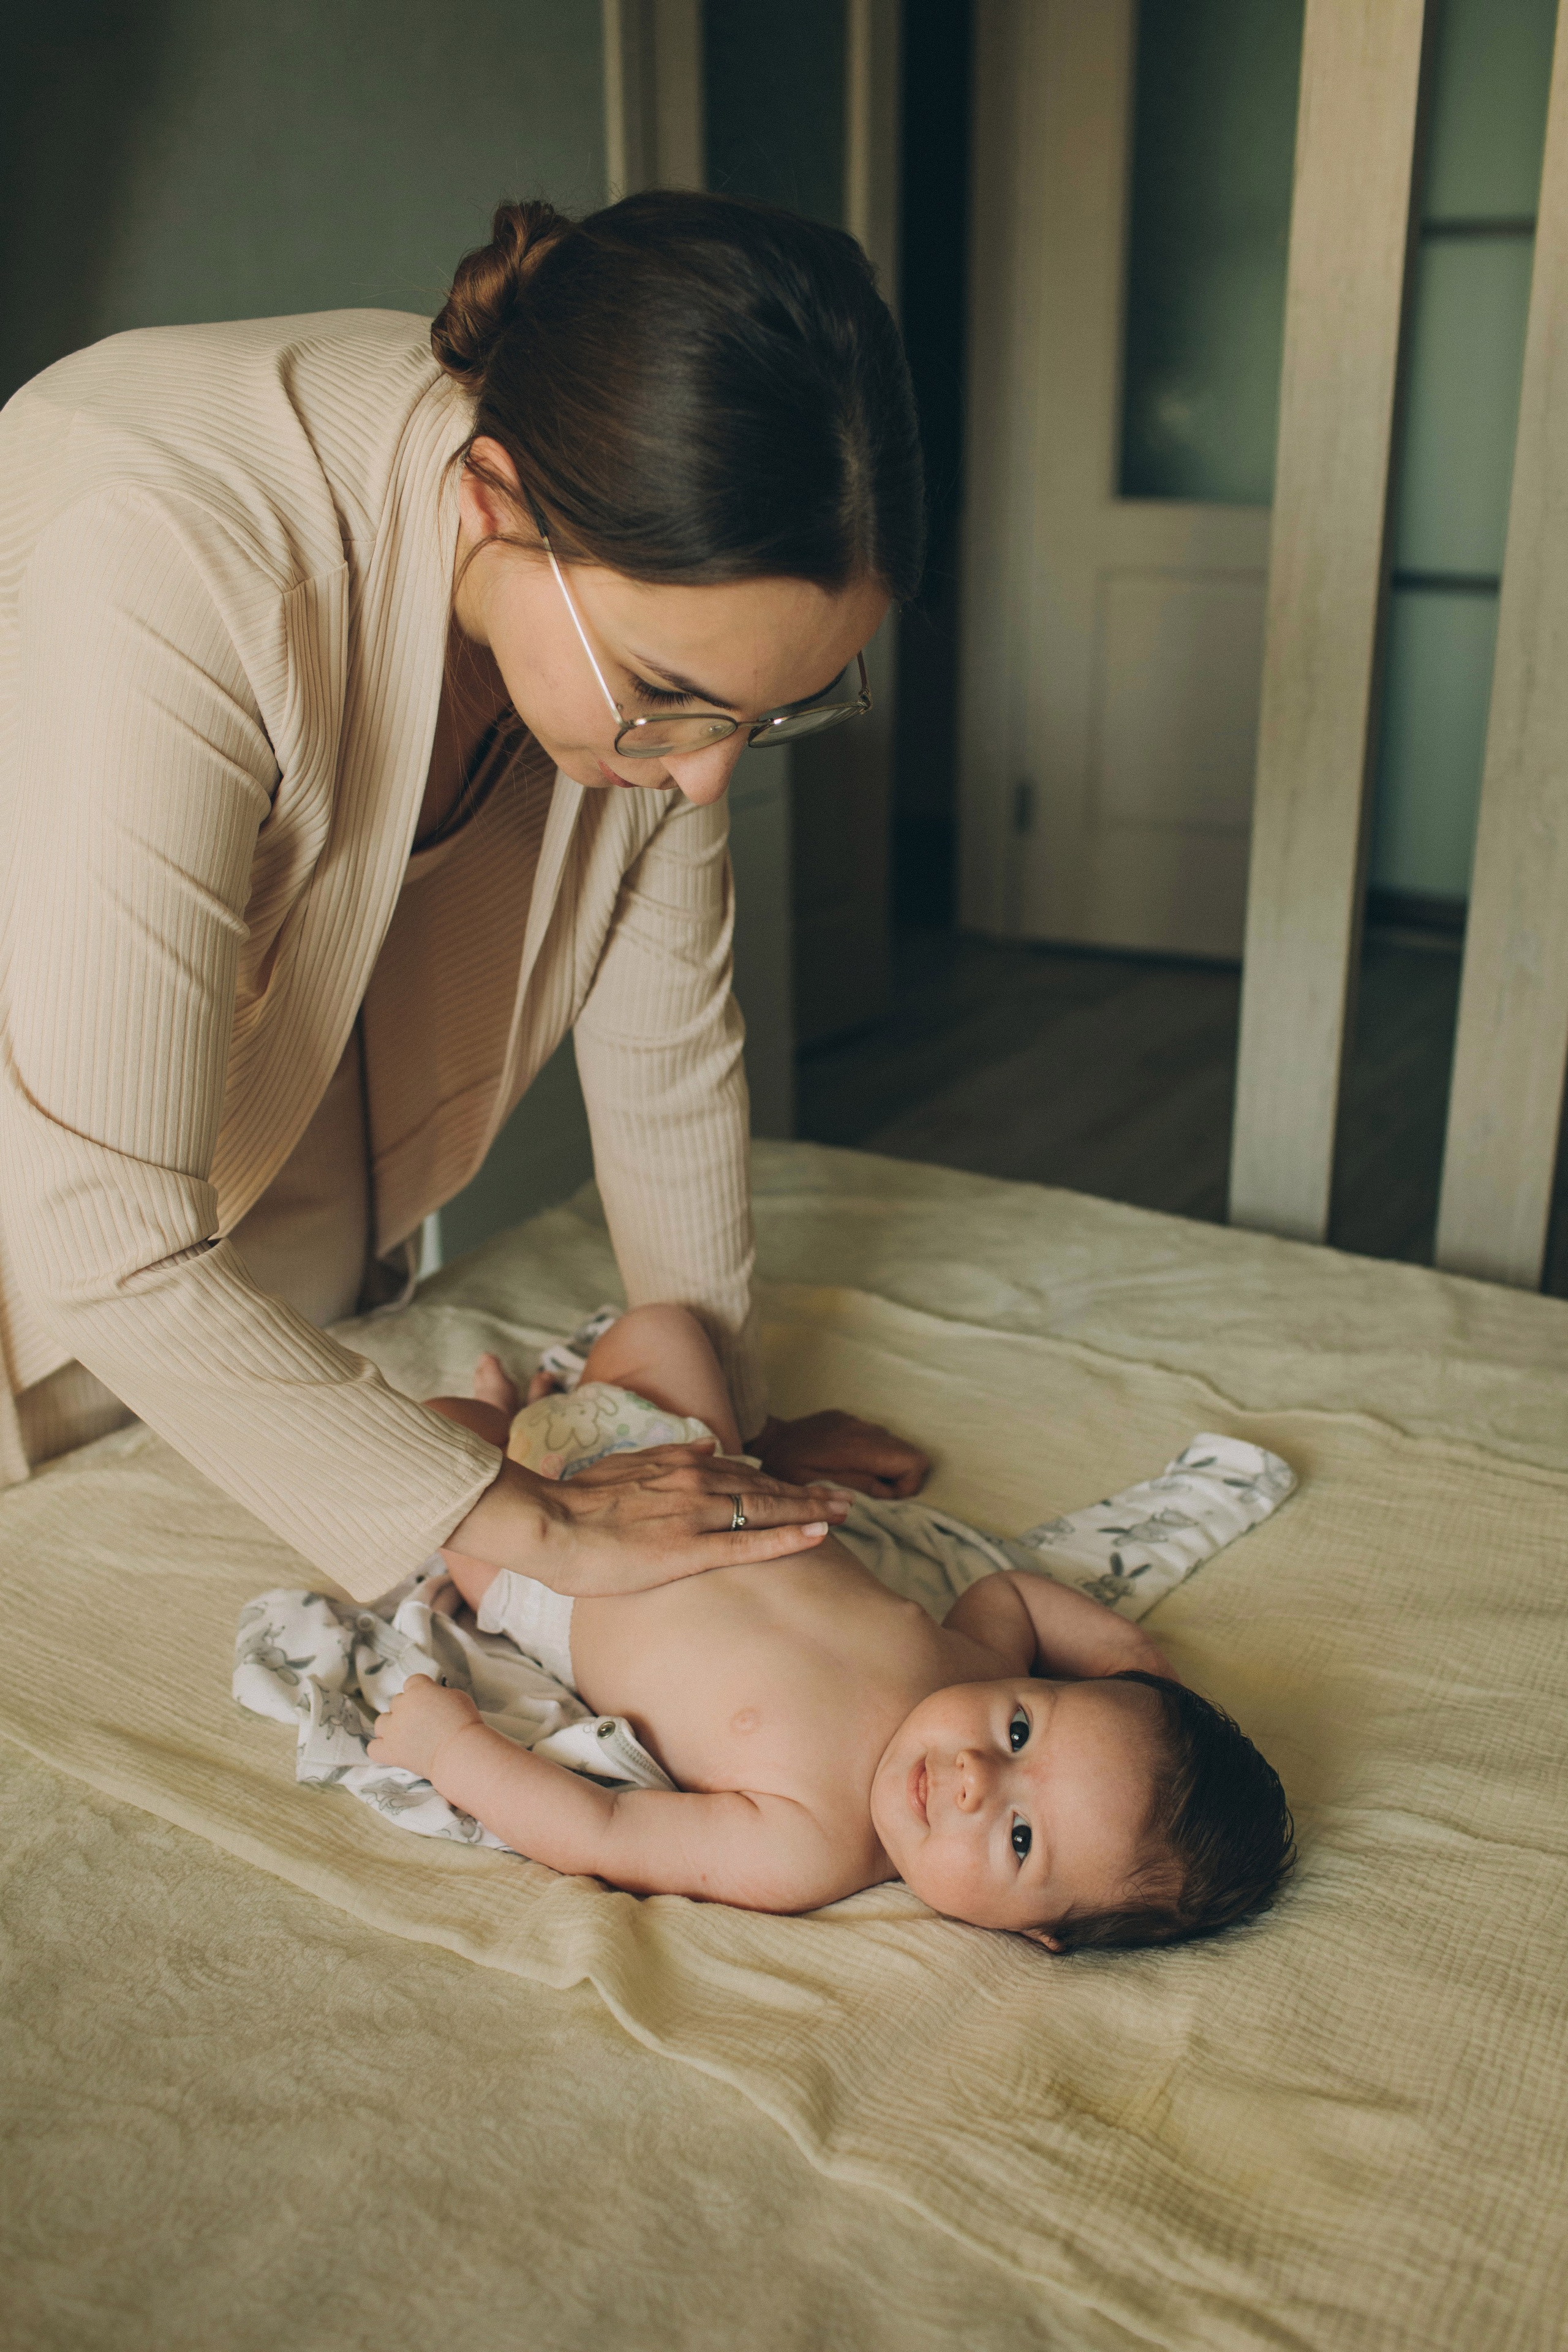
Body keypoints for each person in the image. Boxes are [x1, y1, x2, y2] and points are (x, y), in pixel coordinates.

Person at [0, 190, 931, 1601]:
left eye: (771, 712)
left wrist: (715, 1427)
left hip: (270, 1201)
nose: (704, 785)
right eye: (672, 696)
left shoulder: (643, 628)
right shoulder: (168, 549)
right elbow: (96, 1227)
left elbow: (668, 1066)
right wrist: (541, 1524)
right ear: (490, 502)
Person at [369, 1308, 1295, 1951]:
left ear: (1036, 1933)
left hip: (543, 1573)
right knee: (667, 1330)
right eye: (1021, 1729)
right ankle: (550, 1405)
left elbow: (605, 1831)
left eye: (1019, 1841)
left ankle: (502, 1413)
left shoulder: (808, 1848)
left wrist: (454, 1753)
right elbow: (1014, 1591)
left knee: (425, 1448)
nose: (975, 1777)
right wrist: (1133, 1662)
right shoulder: (968, 1666)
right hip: (687, 1460)